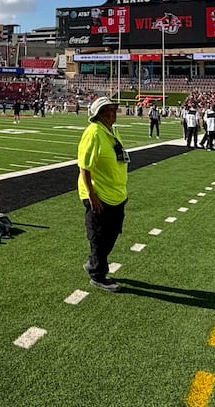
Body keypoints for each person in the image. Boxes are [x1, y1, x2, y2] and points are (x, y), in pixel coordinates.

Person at [78, 96, 129, 293]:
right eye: (107, 109)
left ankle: (93, 263)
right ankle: (98, 274)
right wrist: (92, 195)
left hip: (116, 193)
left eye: (113, 108)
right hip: (99, 194)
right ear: (98, 114)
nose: (112, 112)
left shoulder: (112, 131)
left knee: (112, 233)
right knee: (99, 236)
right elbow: (84, 166)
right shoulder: (93, 133)